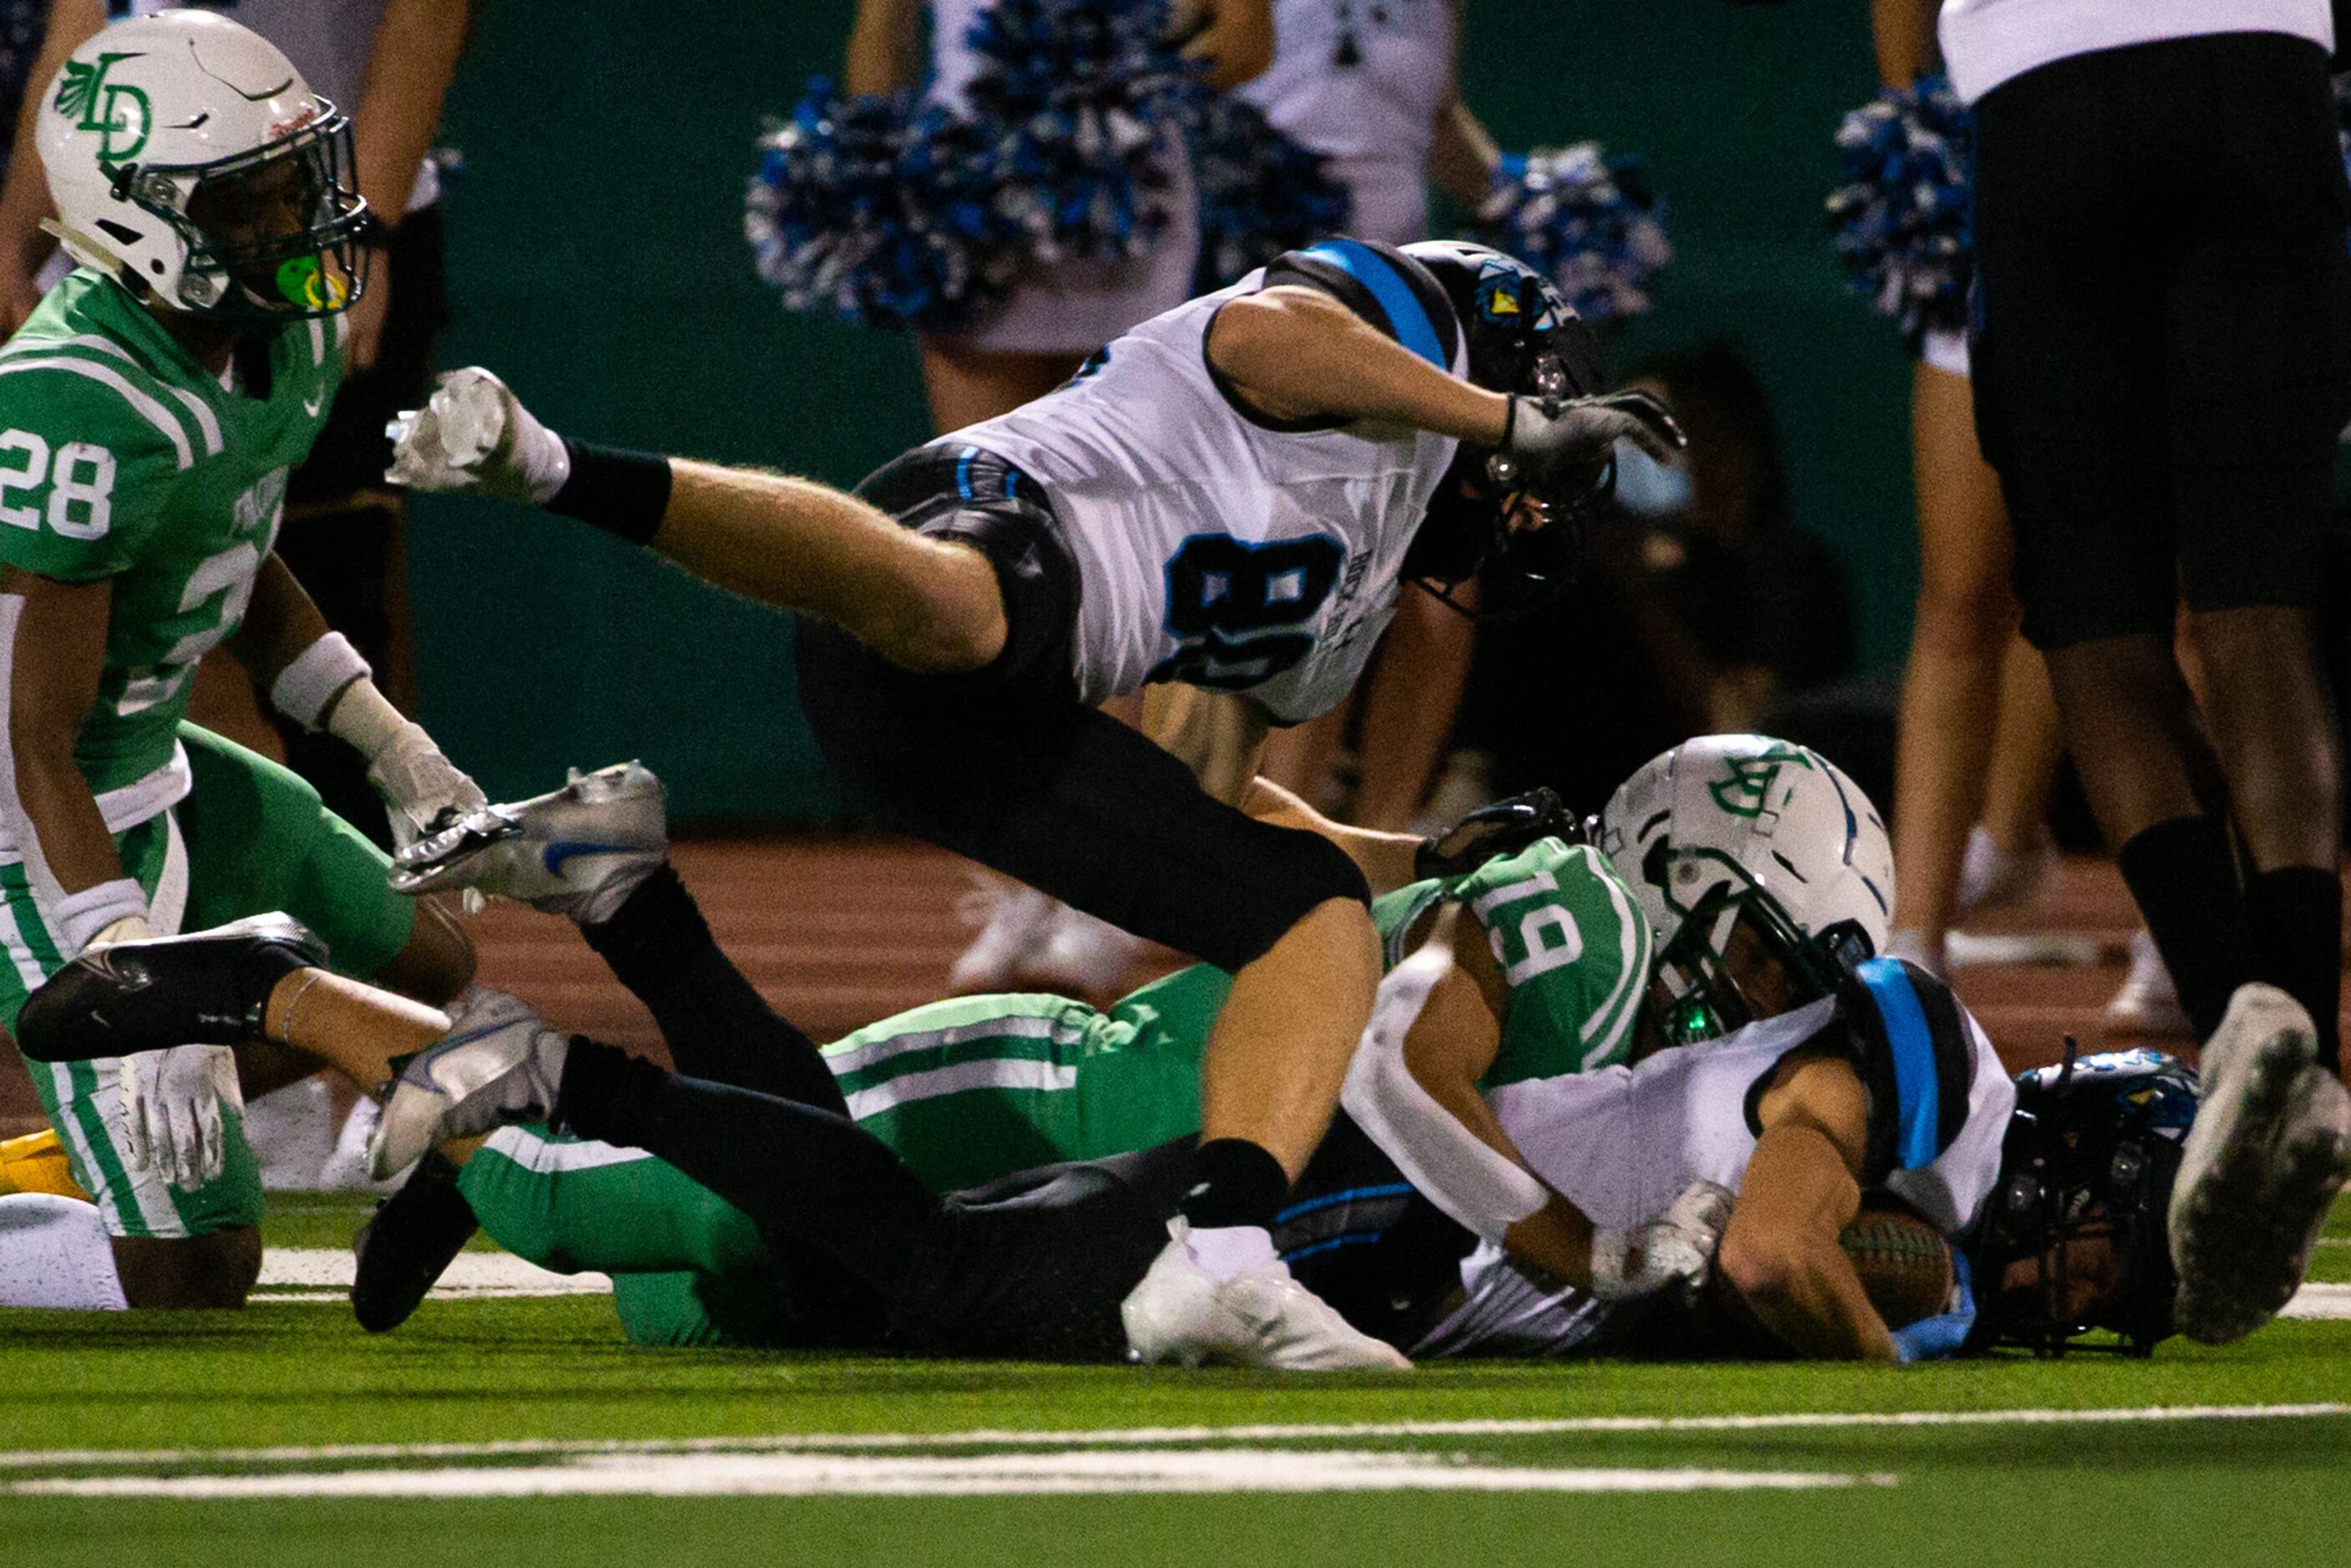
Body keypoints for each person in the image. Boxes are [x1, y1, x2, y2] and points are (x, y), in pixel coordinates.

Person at [377, 238, 1679, 1366]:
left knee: (1304, 907)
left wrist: (1417, 850)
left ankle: (1222, 1252)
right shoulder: (1393, 337)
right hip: (989, 529)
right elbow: (1266, 341)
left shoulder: (1351, 606)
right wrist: (1494, 421)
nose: (1510, 513)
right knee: (965, 611)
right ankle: (558, 469)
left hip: (983, 724)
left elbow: (1200, 800)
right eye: (1524, 480)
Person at [19, 734, 2033, 1363]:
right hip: (1089, 1100)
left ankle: (625, 896)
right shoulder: (1587, 925)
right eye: (1765, 943)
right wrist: (1591, 1259)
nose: (1755, 991)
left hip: (1135, 1135)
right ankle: (282, 990)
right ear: (1691, 866)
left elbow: (1350, 871)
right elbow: (1410, 1050)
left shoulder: (1568, 908)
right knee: (637, 1215)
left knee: (755, 1251)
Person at [0, 12, 478, 1309]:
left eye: (294, 180)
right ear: (145, 219)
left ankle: (97, 1133)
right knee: (194, 1268)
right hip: (40, 813)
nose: (297, 217)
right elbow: (29, 735)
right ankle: (120, 1132)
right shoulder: (75, 397)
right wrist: (131, 972)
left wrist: (385, 737)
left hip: (152, 753)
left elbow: (235, 538)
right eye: (253, 199)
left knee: (424, 965)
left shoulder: (279, 327)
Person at [1939, 0, 2351, 1342]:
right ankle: (2314, 1067)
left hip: (2048, 90)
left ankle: (2243, 1027)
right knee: (2257, 615)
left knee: (2098, 631)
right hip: (2260, 68)